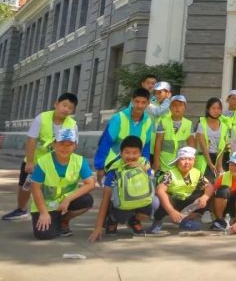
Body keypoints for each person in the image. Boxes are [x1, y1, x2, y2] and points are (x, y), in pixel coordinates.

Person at [2, 92, 79, 221]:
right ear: (56, 104)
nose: (66, 109)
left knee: (51, 189)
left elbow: (74, 145)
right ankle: (21, 210)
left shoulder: (72, 124)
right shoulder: (42, 118)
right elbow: (31, 139)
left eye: (70, 108)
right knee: (25, 185)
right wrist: (30, 161)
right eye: (64, 105)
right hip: (36, 161)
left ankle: (51, 213)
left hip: (55, 163)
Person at [30, 129, 94, 239]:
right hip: (46, 204)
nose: (65, 148)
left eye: (70, 144)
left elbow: (90, 183)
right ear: (54, 144)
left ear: (75, 146)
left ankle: (63, 220)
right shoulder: (43, 162)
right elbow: (36, 188)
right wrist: (44, 213)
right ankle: (53, 219)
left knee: (86, 200)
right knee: (44, 235)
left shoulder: (79, 161)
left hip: (65, 202)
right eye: (61, 144)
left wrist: (68, 199)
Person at [89, 136, 154, 242]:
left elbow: (151, 183)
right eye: (127, 152)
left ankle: (134, 221)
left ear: (140, 153)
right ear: (121, 153)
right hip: (120, 204)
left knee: (153, 205)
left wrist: (142, 169)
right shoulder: (114, 169)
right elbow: (105, 198)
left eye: (135, 153)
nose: (131, 156)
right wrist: (98, 228)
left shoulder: (144, 163)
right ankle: (112, 219)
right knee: (122, 217)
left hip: (139, 199)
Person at [94, 88, 153, 184]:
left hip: (136, 163)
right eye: (137, 101)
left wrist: (147, 166)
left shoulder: (148, 121)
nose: (139, 106)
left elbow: (146, 147)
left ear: (148, 103)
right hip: (114, 164)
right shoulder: (118, 118)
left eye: (143, 102)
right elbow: (105, 143)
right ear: (132, 101)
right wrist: (100, 167)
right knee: (111, 190)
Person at [150, 146, 214, 234]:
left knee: (207, 194)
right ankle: (158, 221)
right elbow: (160, 190)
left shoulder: (196, 172)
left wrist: (204, 198)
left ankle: (185, 220)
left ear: (194, 161)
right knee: (157, 200)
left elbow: (210, 187)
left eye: (190, 159)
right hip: (172, 201)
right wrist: (171, 211)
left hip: (186, 201)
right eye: (183, 159)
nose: (187, 162)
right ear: (177, 162)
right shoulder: (170, 174)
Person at [153, 95, 194, 173]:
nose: (177, 107)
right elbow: (158, 143)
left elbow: (191, 145)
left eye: (180, 105)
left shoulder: (189, 124)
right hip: (165, 163)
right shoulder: (163, 122)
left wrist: (190, 162)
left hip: (182, 164)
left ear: (185, 108)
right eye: (174, 105)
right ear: (170, 108)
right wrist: (156, 162)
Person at [195, 97, 229, 180]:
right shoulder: (201, 124)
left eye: (218, 108)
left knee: (222, 181)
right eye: (213, 108)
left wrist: (219, 166)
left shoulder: (224, 126)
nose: (216, 111)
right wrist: (210, 164)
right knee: (207, 181)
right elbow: (203, 147)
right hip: (204, 157)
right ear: (208, 109)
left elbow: (222, 148)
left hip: (218, 158)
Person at [147, 81, 172, 165]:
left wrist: (167, 100)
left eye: (160, 92)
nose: (157, 95)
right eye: (156, 92)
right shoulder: (152, 101)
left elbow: (158, 111)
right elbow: (156, 110)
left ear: (168, 93)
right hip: (150, 142)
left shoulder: (171, 104)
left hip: (164, 142)